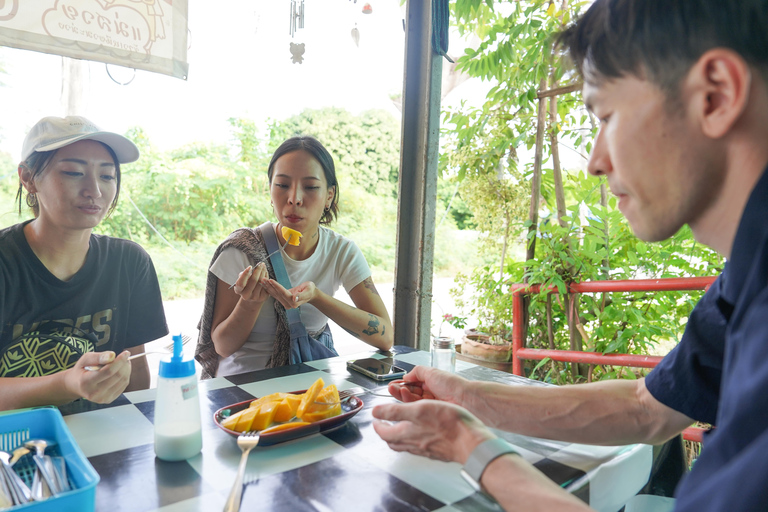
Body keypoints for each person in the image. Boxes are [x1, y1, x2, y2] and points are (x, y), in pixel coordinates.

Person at [372, 0, 768, 510]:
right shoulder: (746, 276)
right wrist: (466, 397)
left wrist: (472, 447)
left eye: (607, 116)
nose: (594, 162)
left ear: (716, 95)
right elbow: (648, 407)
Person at [0, 116, 169, 411]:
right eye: (73, 172)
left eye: (107, 176)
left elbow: (135, 374)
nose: (95, 191)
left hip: (103, 433)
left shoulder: (129, 263)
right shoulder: (6, 263)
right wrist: (66, 383)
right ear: (28, 178)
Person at [195, 136, 393, 378]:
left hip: (308, 387)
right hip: (243, 388)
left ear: (329, 196)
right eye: (282, 185)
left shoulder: (341, 252)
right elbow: (222, 347)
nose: (294, 198)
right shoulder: (240, 250)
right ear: (270, 191)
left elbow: (385, 337)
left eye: (310, 187)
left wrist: (317, 297)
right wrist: (249, 303)